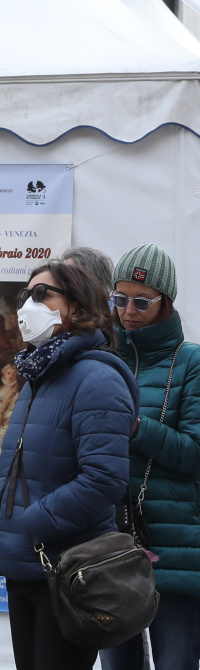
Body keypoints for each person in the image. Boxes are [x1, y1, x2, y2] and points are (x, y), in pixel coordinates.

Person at [0, 260, 137, 670]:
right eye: (25, 295)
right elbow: (21, 467)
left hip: (68, 571)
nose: (28, 304)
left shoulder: (97, 379)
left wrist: (34, 521)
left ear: (78, 308)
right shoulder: (39, 375)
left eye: (42, 294)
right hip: (27, 569)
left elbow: (104, 480)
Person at [100, 244, 200, 670]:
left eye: (142, 301)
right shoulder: (101, 358)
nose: (128, 311)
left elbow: (195, 454)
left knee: (176, 662)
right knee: (117, 664)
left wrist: (138, 428)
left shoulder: (191, 362)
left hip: (174, 548)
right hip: (109, 543)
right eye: (119, 299)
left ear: (166, 302)